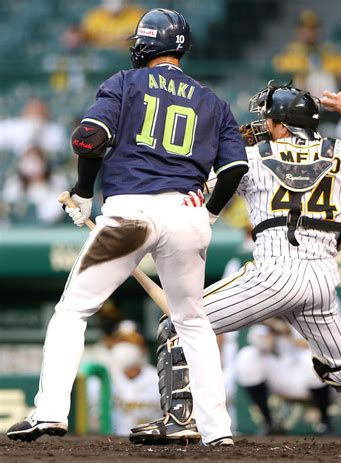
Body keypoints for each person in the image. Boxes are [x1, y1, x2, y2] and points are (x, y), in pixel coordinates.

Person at [130, 82, 341, 446]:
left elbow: (191, 186)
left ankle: (178, 420)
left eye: (269, 119)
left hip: (274, 270)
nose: (263, 124)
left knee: (176, 325)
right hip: (320, 278)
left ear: (283, 125)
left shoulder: (250, 158)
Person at [7, 8, 248, 447]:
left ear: (145, 44)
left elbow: (88, 137)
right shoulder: (213, 101)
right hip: (187, 215)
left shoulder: (124, 82)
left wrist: (82, 191)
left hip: (130, 213)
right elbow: (233, 168)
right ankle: (218, 431)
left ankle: (50, 412)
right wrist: (209, 213)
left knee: (72, 311)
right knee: (192, 322)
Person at [237, 320, 334, 435]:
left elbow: (325, 345)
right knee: (247, 355)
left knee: (313, 360)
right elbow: (261, 344)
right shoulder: (269, 313)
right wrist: (272, 329)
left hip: (311, 376)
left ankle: (325, 422)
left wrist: (288, 333)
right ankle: (269, 422)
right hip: (281, 372)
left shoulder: (310, 310)